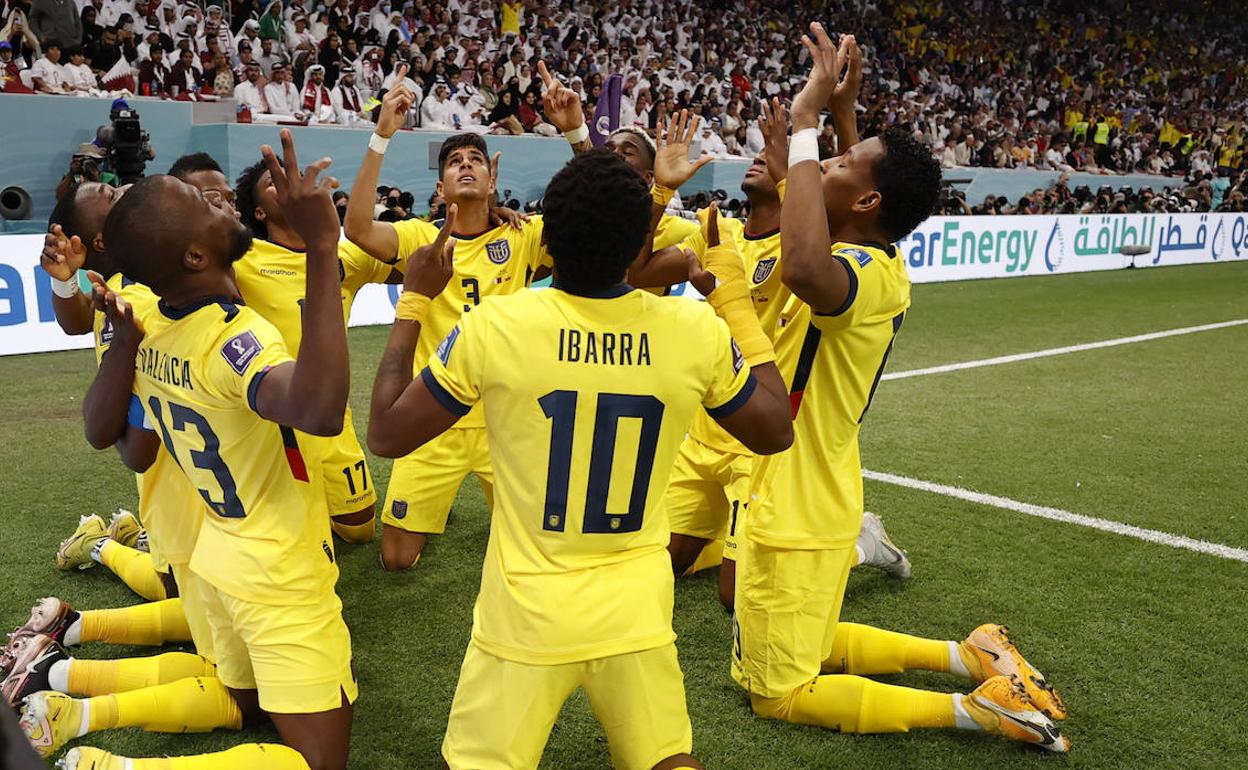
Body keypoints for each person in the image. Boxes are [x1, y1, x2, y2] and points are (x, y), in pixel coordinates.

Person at [366, 146, 792, 770]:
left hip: (525, 613)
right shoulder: (692, 330)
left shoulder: (500, 325)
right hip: (636, 611)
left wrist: (413, 302)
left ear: (547, 243)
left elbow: (386, 432)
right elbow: (775, 429)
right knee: (668, 760)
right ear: (636, 249)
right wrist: (731, 304)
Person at [730, 23, 1069, 751]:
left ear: (864, 204)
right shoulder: (871, 251)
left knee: (779, 692)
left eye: (841, 163)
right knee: (816, 644)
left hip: (794, 500)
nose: (822, 168)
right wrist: (842, 127)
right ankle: (968, 655)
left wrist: (805, 126)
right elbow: (859, 200)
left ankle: (975, 710)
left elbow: (804, 269)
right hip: (817, 490)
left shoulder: (859, 273)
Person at [35, 131, 357, 770]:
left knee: (241, 699)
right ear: (191, 255)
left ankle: (86, 715)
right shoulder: (236, 341)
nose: (224, 205)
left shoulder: (146, 321)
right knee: (318, 762)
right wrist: (323, 245)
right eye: (207, 207)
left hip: (218, 554)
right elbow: (319, 409)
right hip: (278, 565)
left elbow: (111, 440)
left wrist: (123, 344)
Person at [344, 70, 550, 572]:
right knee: (396, 559)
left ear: (492, 180)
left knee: (534, 548)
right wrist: (381, 135)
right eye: (455, 162)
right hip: (433, 411)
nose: (466, 166)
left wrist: (575, 133)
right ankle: (433, 506)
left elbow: (596, 223)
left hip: (506, 414)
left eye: (476, 160)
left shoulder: (522, 235)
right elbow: (356, 227)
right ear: (440, 187)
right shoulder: (419, 237)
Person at [229, 153, 406, 544]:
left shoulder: (343, 255)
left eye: (294, 177)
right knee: (288, 536)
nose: (290, 184)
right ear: (259, 213)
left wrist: (482, 221)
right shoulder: (241, 261)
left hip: (333, 418)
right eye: (275, 182)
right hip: (276, 419)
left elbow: (414, 261)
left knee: (358, 529)